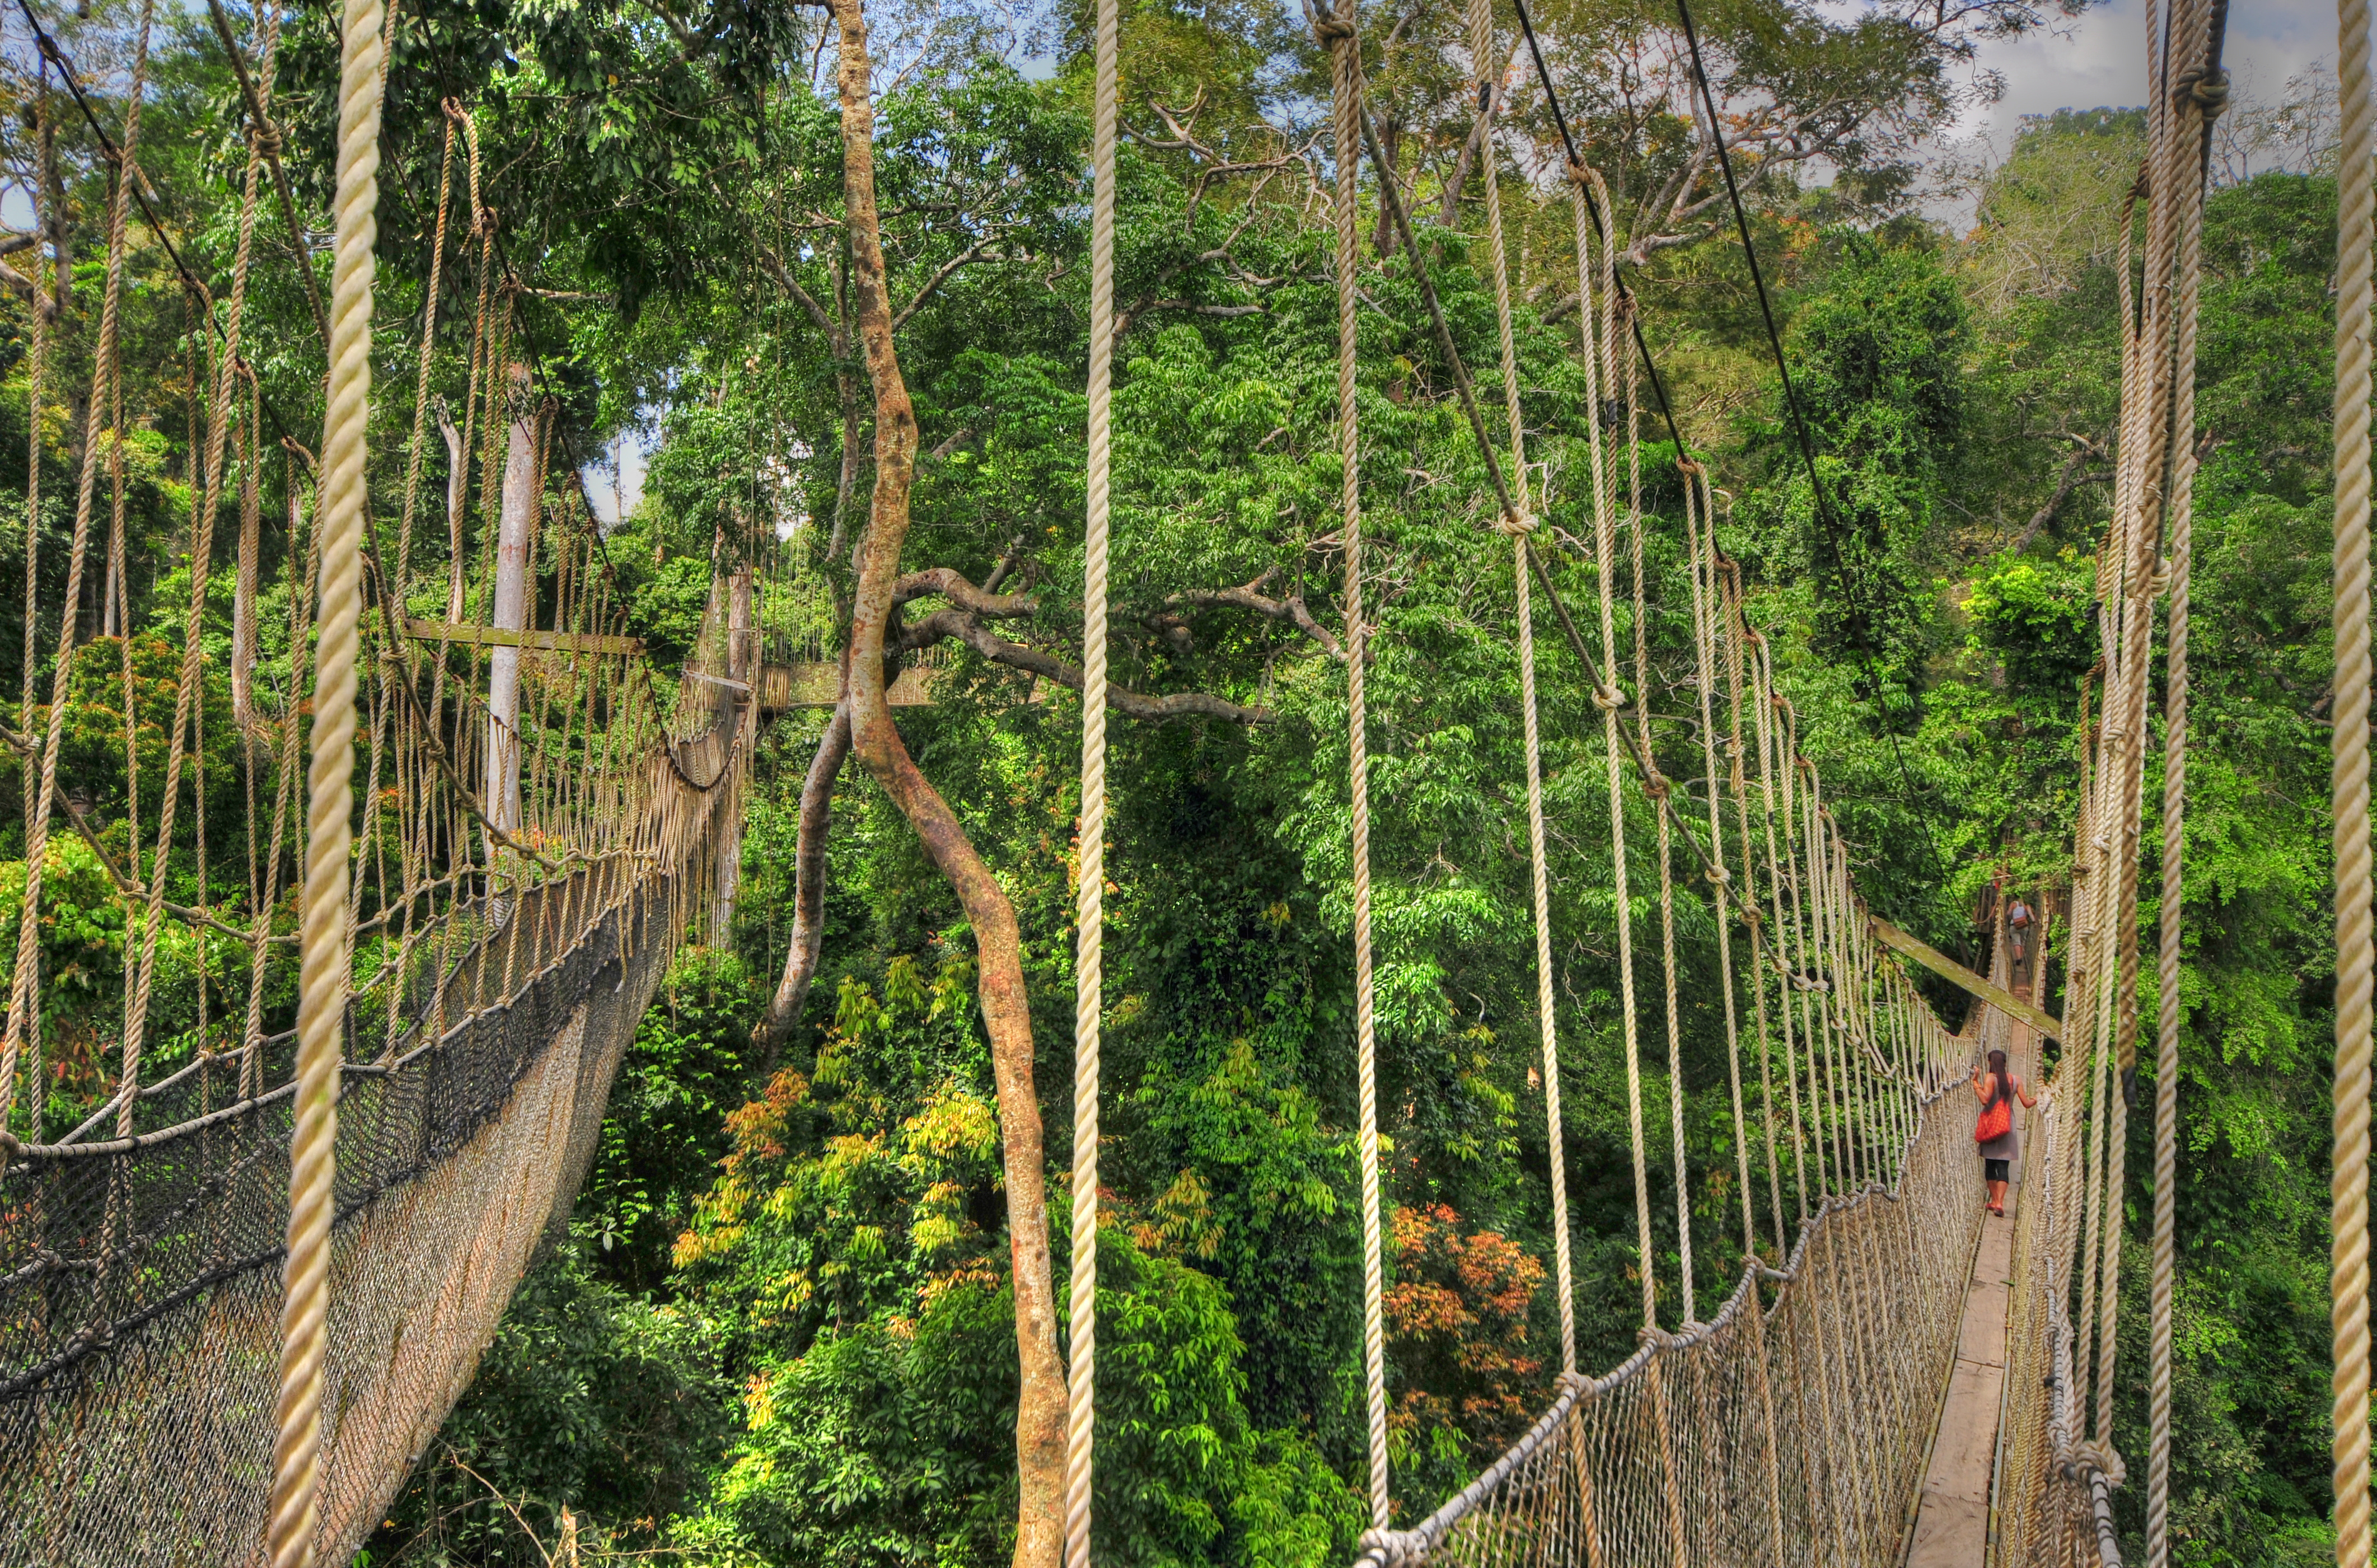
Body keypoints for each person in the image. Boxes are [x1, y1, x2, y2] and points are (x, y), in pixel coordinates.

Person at [1972, 1048, 2035, 1218]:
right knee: (2003, 1166)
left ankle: (1995, 1201)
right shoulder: (2016, 1080)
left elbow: (1985, 1099)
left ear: (1990, 1063)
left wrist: (1975, 1082)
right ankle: (1999, 1203)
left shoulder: (1990, 1078)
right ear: (2005, 1063)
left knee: (1991, 1166)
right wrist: (2038, 1098)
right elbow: (2027, 1103)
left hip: (1991, 1125)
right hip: (2008, 1125)